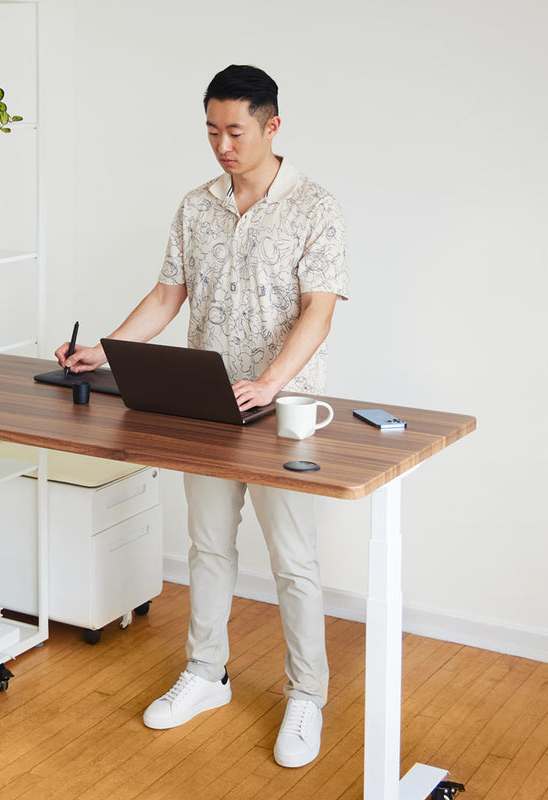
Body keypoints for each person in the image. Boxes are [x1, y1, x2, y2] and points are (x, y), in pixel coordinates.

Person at [55, 64, 348, 768]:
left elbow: (319, 312)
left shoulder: (316, 208)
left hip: (285, 410)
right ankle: (206, 672)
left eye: (235, 131)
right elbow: (167, 295)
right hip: (206, 404)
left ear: (272, 126)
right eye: (212, 130)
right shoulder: (196, 206)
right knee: (209, 546)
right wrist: (105, 350)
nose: (222, 144)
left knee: (294, 560)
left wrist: (271, 383)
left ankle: (307, 694)